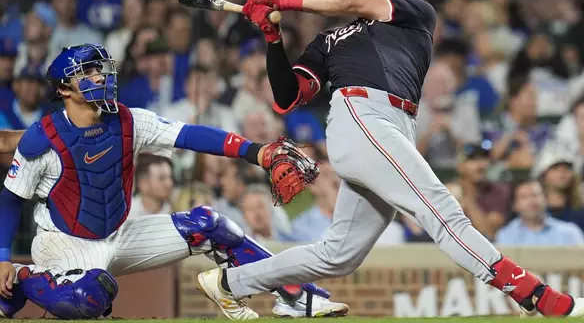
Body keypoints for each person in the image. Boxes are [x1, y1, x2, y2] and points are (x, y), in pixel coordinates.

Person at [207, 0, 584, 319]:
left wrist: (283, 1)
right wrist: (273, 38)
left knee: (338, 255)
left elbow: (353, 3)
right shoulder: (329, 39)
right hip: (360, 116)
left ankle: (231, 283)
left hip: (395, 126)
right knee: (442, 211)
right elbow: (288, 96)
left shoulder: (416, 14)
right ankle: (533, 295)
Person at [0, 44, 348, 320]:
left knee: (210, 225)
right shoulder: (41, 138)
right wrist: (2, 257)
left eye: (100, 68)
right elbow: (10, 199)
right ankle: (22, 277)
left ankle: (293, 296)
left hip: (120, 234)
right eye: (87, 72)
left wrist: (255, 152)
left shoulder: (129, 120)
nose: (100, 76)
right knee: (88, 297)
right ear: (63, 88)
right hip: (63, 244)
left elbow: (190, 135)